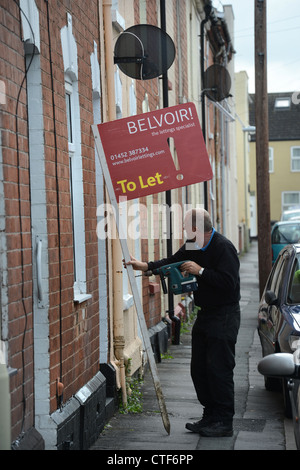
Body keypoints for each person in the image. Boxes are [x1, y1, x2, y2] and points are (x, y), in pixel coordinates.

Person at [125, 208, 241, 437]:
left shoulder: (223, 247)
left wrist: (201, 271)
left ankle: (223, 421)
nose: (184, 230)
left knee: (220, 369)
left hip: (225, 315)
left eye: (186, 226)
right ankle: (210, 416)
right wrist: (146, 266)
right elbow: (172, 261)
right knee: (199, 369)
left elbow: (229, 283)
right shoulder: (192, 245)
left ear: (197, 228)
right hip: (206, 314)